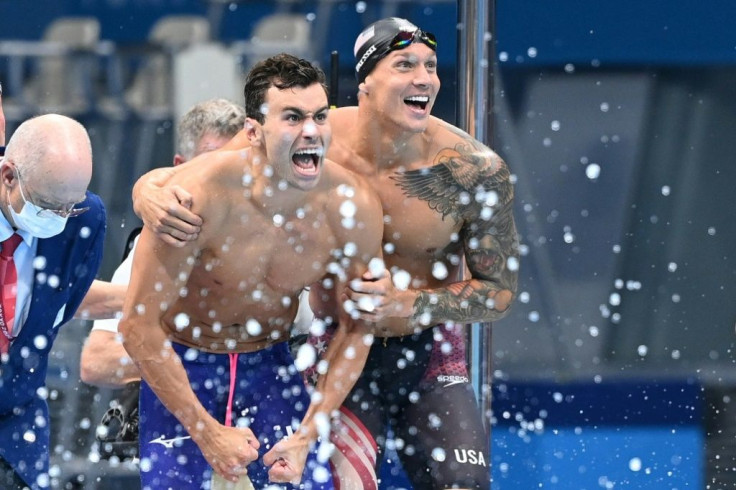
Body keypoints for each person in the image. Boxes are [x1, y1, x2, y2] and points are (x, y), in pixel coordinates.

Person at [134, 18, 520, 490]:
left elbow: (499, 293)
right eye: (405, 64)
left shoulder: (471, 169)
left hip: (427, 348)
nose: (424, 78)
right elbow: (205, 176)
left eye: (431, 66)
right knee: (339, 483)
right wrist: (145, 190)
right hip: (333, 339)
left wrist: (409, 304)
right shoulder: (311, 131)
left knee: (462, 483)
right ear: (366, 83)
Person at [118, 54, 384, 489]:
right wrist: (205, 432)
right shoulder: (197, 196)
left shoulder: (350, 207)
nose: (312, 131)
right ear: (253, 131)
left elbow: (357, 328)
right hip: (187, 364)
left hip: (273, 367)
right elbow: (136, 325)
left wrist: (306, 435)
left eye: (319, 116)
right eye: (293, 117)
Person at [78, 98, 246, 388]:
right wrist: (201, 360)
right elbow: (97, 361)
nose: (225, 180)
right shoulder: (157, 244)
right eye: (212, 164)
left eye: (237, 165)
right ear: (179, 168)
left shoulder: (285, 236)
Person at [0, 113, 106, 490]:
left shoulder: (85, 221)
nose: (60, 218)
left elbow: (62, 305)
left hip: (16, 429)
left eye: (70, 205)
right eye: (47, 205)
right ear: (8, 176)